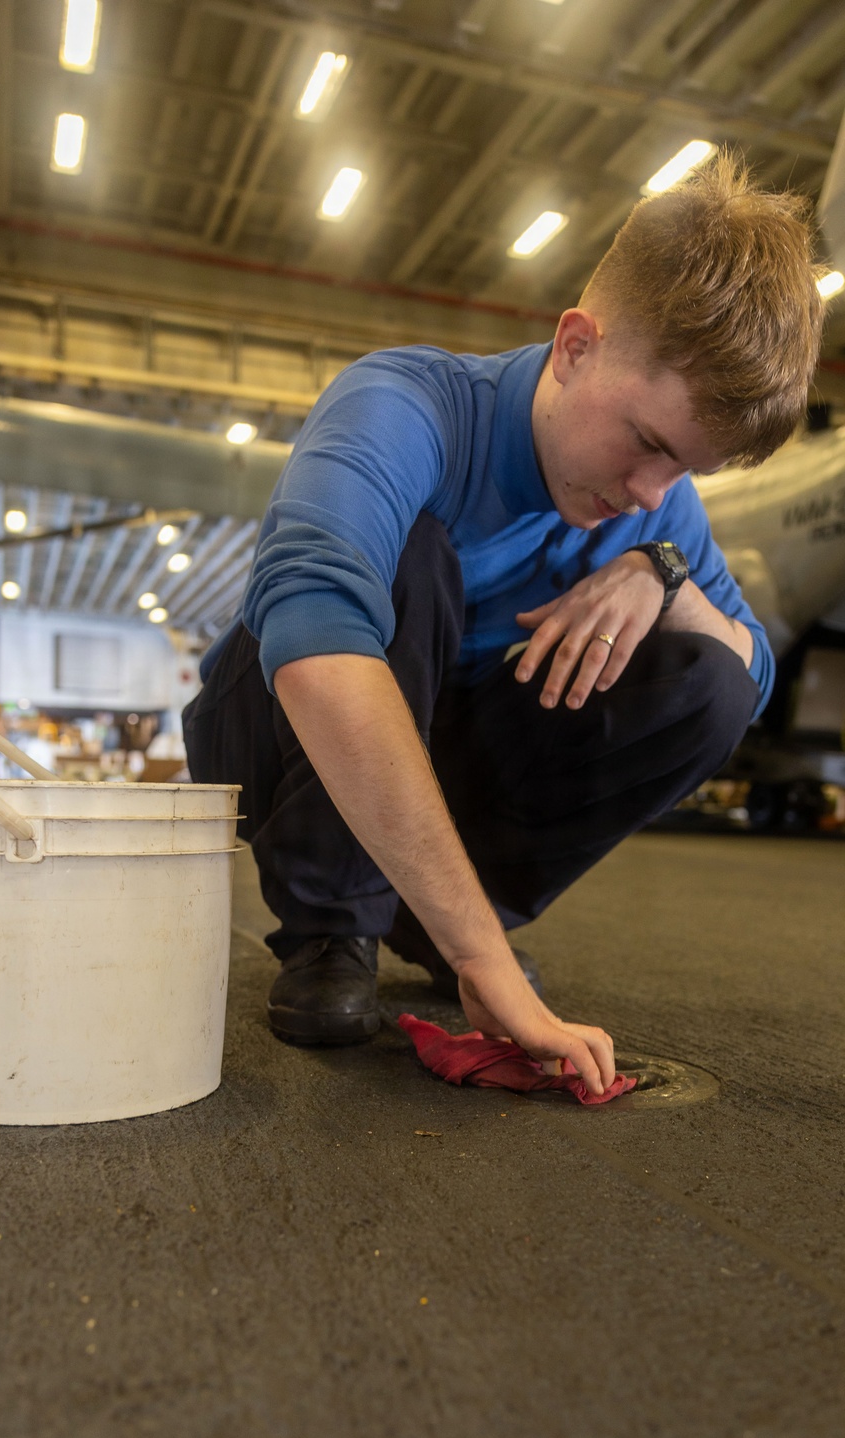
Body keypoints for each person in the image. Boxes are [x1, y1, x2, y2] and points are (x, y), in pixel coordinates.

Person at [183, 154, 826, 1097]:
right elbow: (317, 643)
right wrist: (485, 960)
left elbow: (752, 677)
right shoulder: (405, 406)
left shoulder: (653, 507)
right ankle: (333, 924)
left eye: (686, 470)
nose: (650, 493)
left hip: (447, 739)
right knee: (413, 554)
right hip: (269, 732)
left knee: (708, 676)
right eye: (647, 442)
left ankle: (441, 908)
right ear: (575, 347)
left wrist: (661, 573)